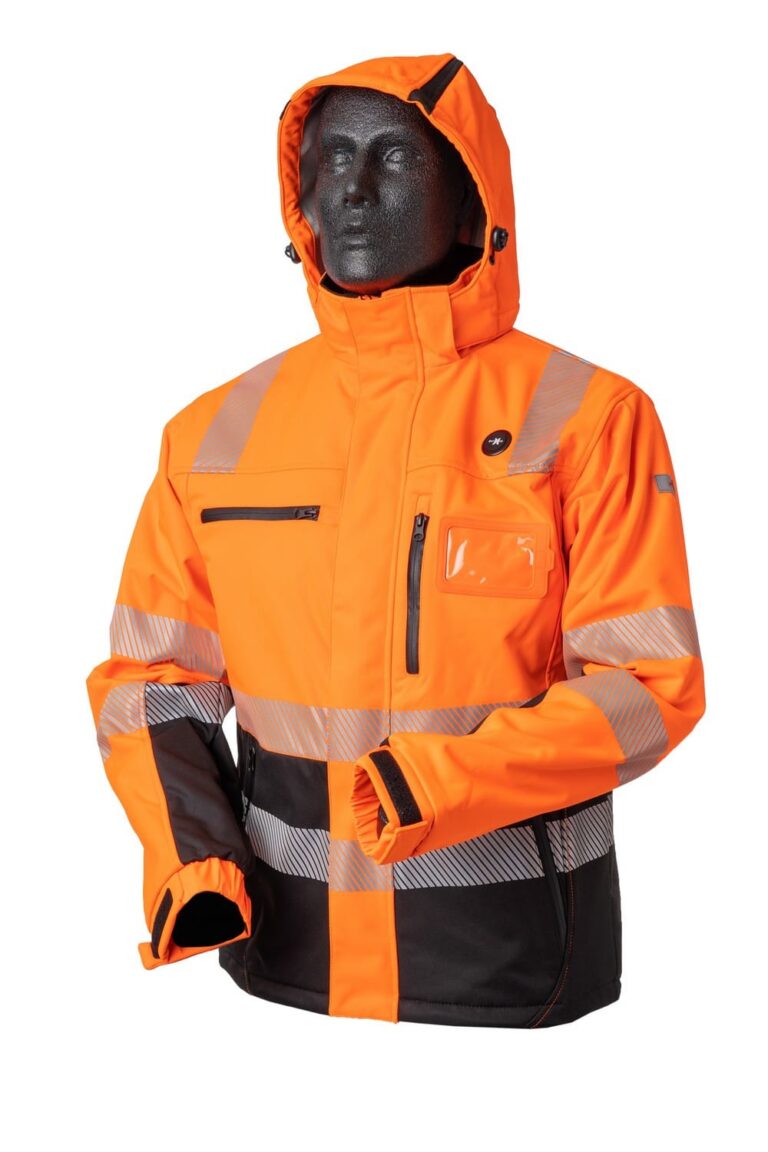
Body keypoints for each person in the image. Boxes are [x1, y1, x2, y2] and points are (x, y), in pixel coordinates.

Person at [85, 52, 706, 1029]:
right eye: (332, 158)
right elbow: (150, 684)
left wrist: (439, 781)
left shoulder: (586, 416)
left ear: (472, 201)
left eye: (397, 157)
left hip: (513, 966)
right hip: (276, 963)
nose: (355, 189)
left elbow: (650, 687)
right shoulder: (214, 433)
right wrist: (191, 862)